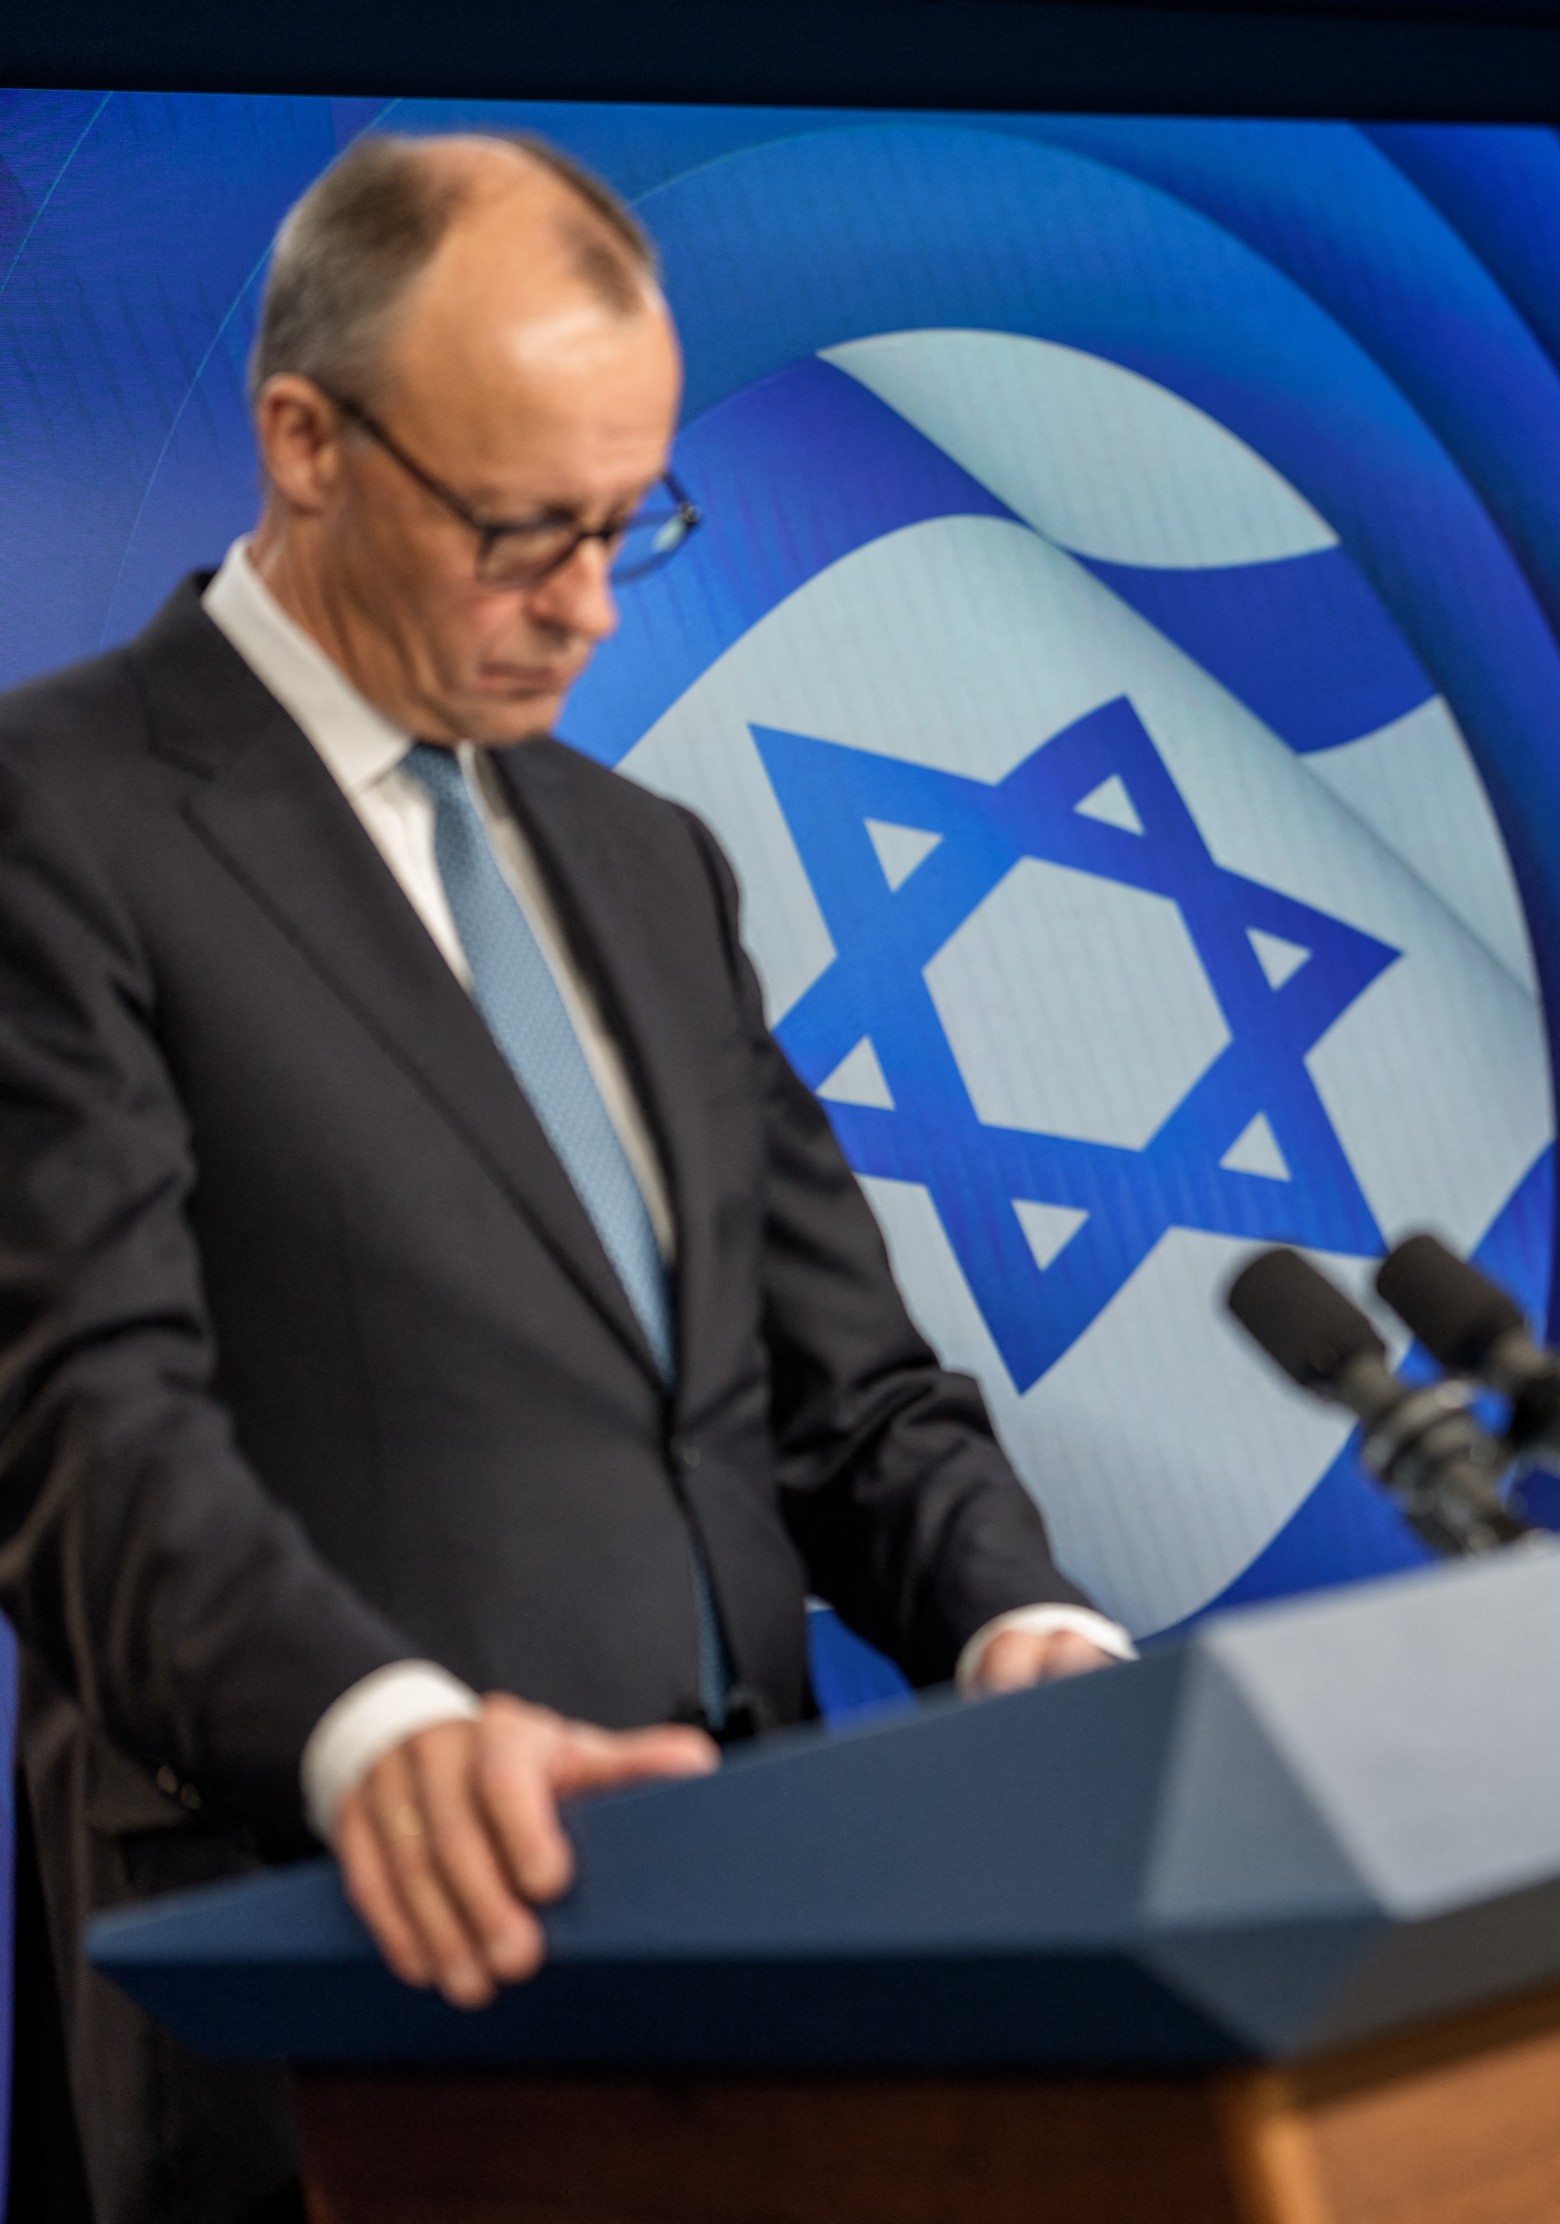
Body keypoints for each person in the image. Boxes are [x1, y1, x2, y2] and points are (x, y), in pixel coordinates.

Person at [0, 135, 1135, 2224]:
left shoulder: (644, 862)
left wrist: (1019, 1624)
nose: (593, 609)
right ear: (305, 442)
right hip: (335, 1983)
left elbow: (843, 1390)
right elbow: (81, 1419)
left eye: (632, 523)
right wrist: (373, 1728)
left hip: (745, 1992)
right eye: (527, 533)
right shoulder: (54, 818)